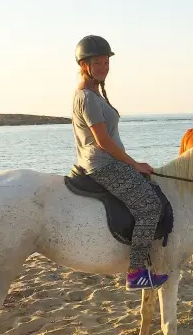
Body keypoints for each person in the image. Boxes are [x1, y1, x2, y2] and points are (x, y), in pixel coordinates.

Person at [71, 35, 167, 291]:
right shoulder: (88, 97)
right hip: (102, 164)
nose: (104, 67)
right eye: (98, 63)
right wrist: (133, 163)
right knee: (149, 206)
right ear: (84, 65)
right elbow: (102, 140)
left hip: (108, 161)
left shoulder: (94, 95)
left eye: (106, 62)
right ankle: (135, 271)